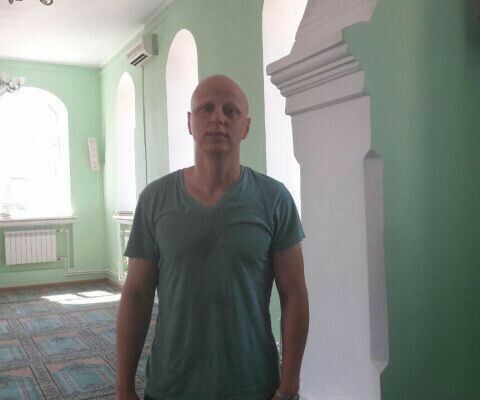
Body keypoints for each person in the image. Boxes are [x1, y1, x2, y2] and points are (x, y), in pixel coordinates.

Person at [116, 75, 309, 400]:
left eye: (230, 110)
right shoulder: (155, 200)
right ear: (190, 122)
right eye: (206, 109)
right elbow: (136, 294)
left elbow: (294, 295)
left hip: (252, 385)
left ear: (246, 126)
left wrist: (288, 388)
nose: (218, 117)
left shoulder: (274, 199)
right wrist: (123, 388)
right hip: (171, 385)